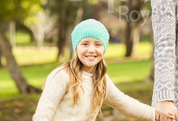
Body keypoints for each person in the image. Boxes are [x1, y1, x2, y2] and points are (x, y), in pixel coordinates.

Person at [33, 19, 162, 121]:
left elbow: (125, 104)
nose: (91, 49)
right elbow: (43, 115)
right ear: (76, 47)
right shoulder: (62, 75)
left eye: (97, 44)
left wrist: (156, 114)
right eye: (85, 44)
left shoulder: (101, 80)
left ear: (104, 49)